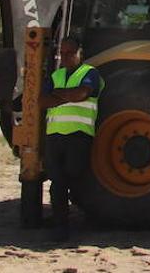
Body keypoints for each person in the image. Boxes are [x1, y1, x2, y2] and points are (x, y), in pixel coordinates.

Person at [39, 36, 103, 241]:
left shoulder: (90, 74)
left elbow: (82, 93)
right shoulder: (56, 75)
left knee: (76, 177)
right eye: (62, 53)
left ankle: (90, 218)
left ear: (79, 53)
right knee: (57, 183)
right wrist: (67, 95)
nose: (65, 57)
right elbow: (42, 101)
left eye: (70, 53)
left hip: (79, 135)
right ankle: (61, 227)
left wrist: (58, 95)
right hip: (55, 136)